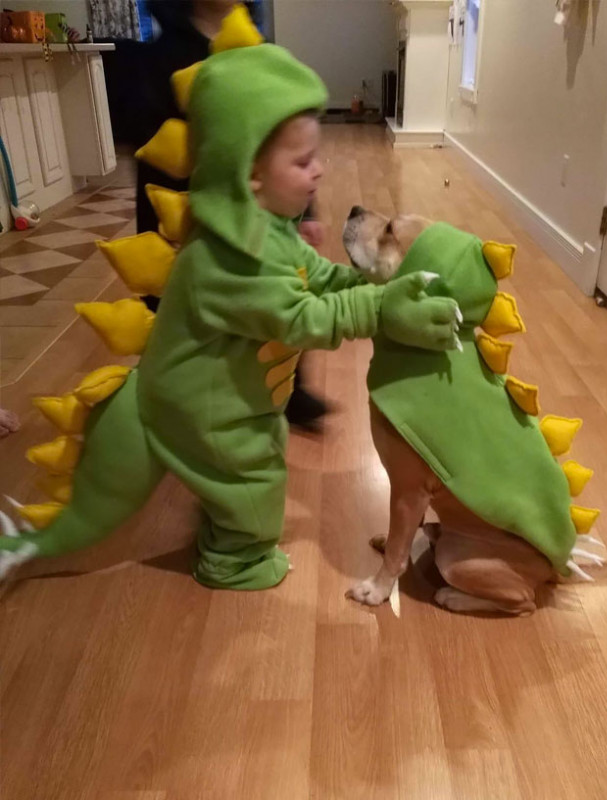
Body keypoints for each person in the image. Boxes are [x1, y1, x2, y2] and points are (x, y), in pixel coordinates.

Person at [0, 20, 460, 589]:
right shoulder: (230, 259)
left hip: (227, 393)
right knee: (255, 482)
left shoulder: (269, 230)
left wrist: (368, 286)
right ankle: (231, 559)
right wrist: (381, 308)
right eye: (302, 162)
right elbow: (302, 319)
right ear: (250, 177)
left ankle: (212, 505)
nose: (319, 170)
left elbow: (316, 277)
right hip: (198, 405)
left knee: (260, 451)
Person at [136, 0, 330, 430]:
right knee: (198, 315)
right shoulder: (165, 56)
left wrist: (306, 212)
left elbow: (291, 141)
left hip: (262, 211)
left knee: (278, 287)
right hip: (193, 213)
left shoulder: (256, 45)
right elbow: (155, 154)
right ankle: (182, 399)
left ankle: (287, 385)